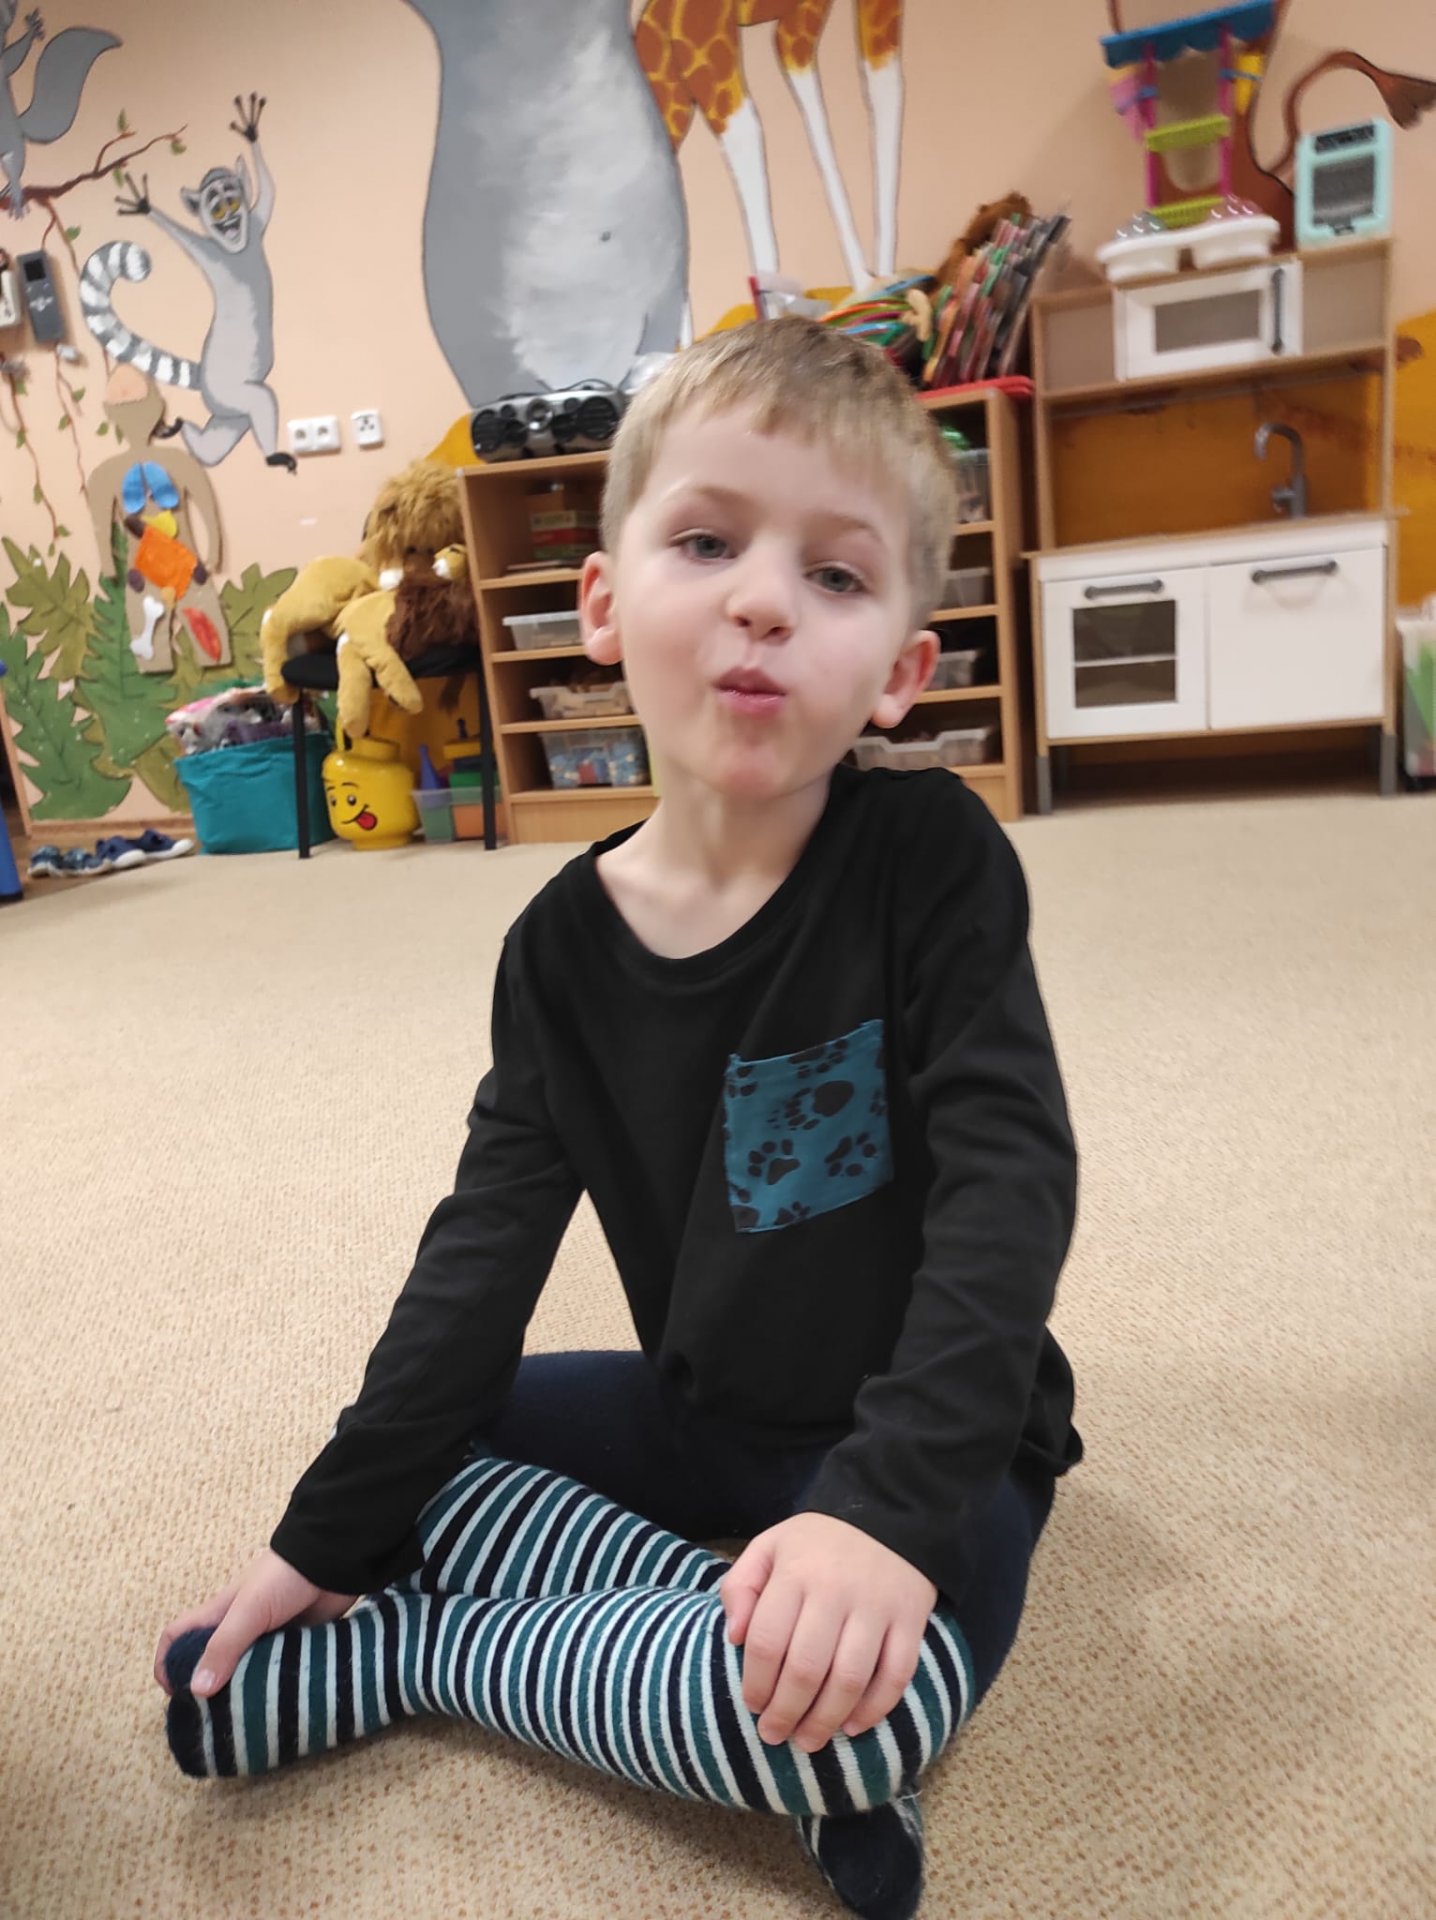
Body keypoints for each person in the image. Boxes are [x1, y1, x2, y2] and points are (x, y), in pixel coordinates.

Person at [155, 316, 1081, 1920]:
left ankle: (442, 1658)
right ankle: (698, 1646)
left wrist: (879, 1518)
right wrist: (325, 1541)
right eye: (708, 542)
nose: (763, 600)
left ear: (900, 673)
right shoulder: (557, 953)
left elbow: (1013, 1187)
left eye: (836, 575)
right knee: (420, 1448)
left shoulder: (931, 859)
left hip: (943, 1442)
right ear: (599, 604)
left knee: (884, 1703)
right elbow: (479, 1256)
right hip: (699, 1412)